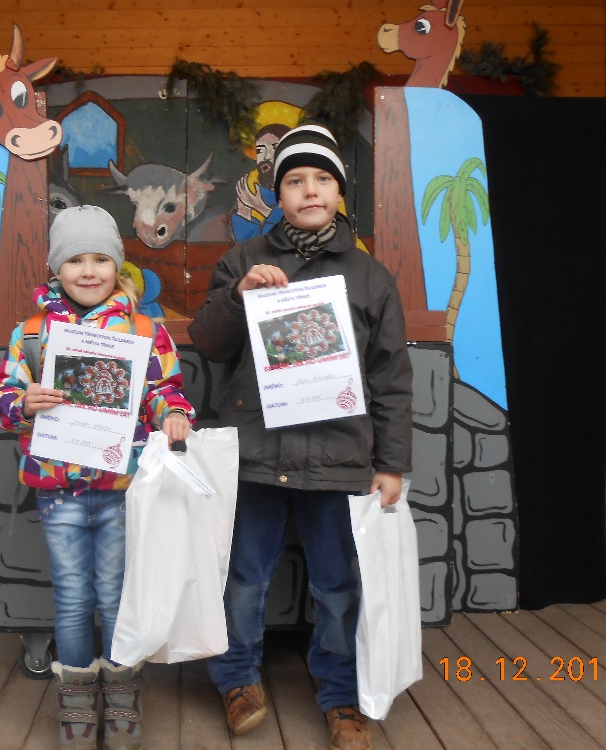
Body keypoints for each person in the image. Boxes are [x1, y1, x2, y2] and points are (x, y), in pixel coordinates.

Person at [188, 124, 413, 750]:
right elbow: (209, 344)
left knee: (338, 585)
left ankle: (341, 696)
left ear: (339, 192)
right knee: (244, 578)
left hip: (341, 457)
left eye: (322, 179)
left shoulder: (371, 277)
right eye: (294, 180)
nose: (309, 190)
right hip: (257, 454)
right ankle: (237, 679)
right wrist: (239, 296)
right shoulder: (242, 260)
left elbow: (390, 378)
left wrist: (391, 463)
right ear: (277, 193)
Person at [0, 204, 195, 750]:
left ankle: (122, 692)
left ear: (117, 265)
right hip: (59, 494)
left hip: (122, 491)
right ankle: (77, 697)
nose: (88, 270)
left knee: (117, 597)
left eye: (100, 258)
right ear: (55, 268)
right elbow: (0, 399)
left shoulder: (145, 330)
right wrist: (22, 404)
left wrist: (174, 415)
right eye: (75, 259)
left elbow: (164, 391)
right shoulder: (32, 333)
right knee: (74, 596)